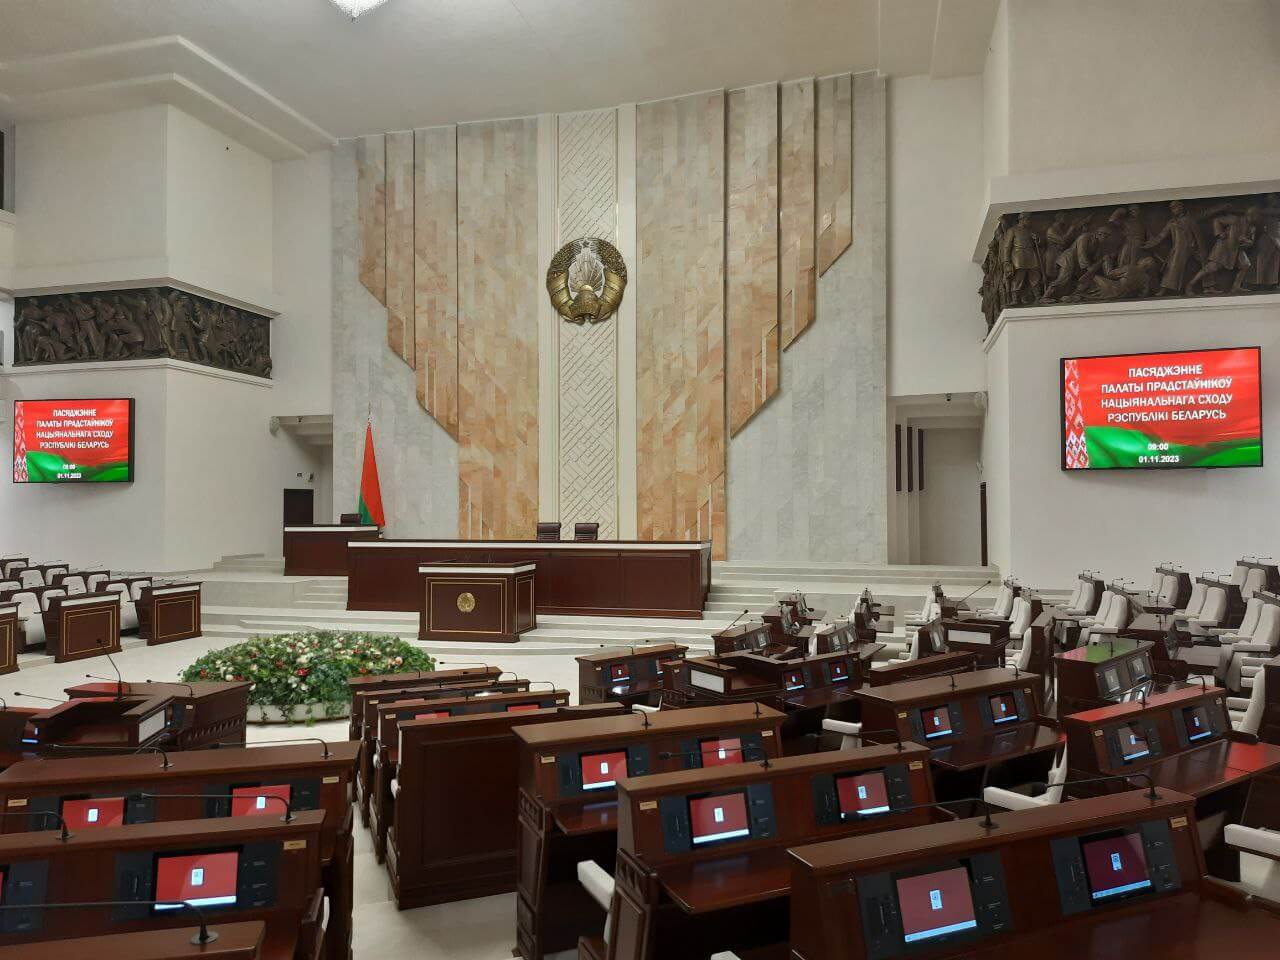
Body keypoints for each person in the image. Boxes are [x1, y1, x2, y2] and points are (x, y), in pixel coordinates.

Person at [1143, 199, 1203, 296]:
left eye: (1174, 208)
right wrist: (1149, 244)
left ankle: (1196, 287)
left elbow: (1197, 236)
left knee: (1201, 263)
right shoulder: (1171, 222)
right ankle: (1164, 288)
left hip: (1191, 248)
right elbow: (1161, 236)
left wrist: (1200, 249)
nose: (1173, 210)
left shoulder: (1190, 220)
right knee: (1172, 265)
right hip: (1178, 248)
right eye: (1171, 208)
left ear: (1181, 207)